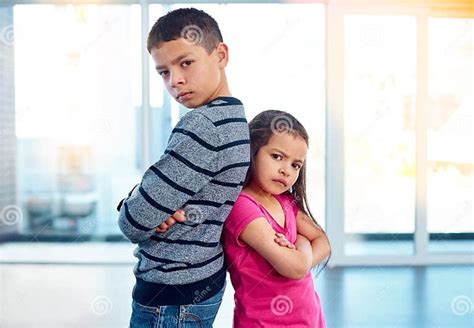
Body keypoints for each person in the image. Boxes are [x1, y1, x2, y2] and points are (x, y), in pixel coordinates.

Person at [117, 8, 250, 327]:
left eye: (186, 63)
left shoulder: (203, 126)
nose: (175, 79)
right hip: (200, 280)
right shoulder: (233, 117)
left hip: (170, 295)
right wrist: (150, 203)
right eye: (163, 72)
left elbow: (133, 221)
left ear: (220, 54)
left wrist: (136, 201)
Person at [222, 110, 330, 327]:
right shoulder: (243, 207)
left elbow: (324, 243)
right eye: (277, 157)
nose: (286, 171)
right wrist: (303, 245)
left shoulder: (285, 201)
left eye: (295, 165)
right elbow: (295, 269)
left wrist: (300, 246)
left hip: (309, 318)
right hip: (263, 322)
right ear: (253, 151)